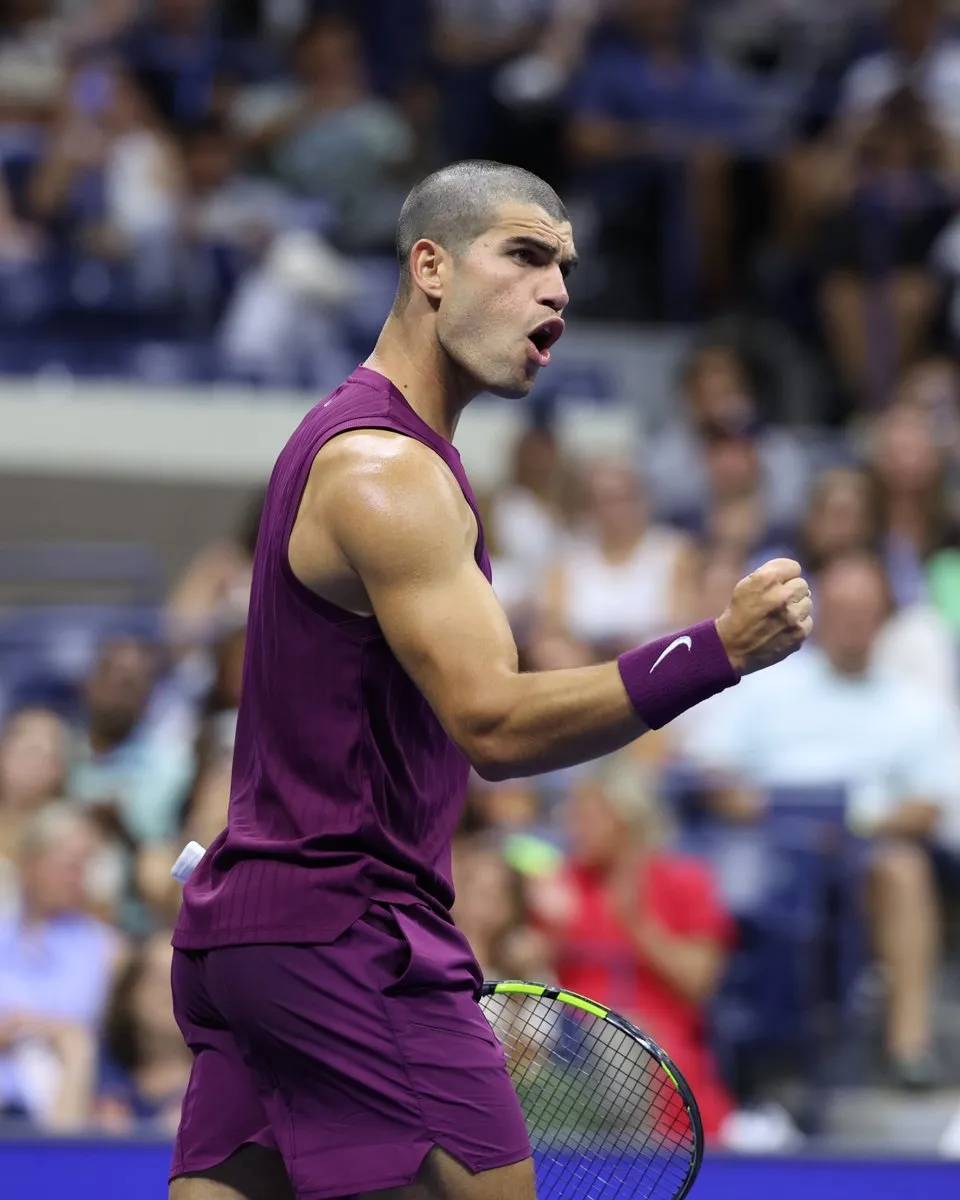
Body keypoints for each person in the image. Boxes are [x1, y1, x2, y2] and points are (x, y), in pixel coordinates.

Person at [169, 159, 813, 1200]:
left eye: (564, 265)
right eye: (522, 254)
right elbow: (497, 725)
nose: (555, 287)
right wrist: (718, 651)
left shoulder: (361, 447)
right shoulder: (390, 474)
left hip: (245, 938)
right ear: (429, 266)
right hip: (351, 930)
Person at [679, 552, 960, 1088]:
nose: (853, 621)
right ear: (822, 610)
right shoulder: (767, 684)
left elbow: (927, 807)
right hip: (766, 834)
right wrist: (759, 807)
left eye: (866, 610)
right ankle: (734, 1053)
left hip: (859, 845)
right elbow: (710, 769)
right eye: (845, 608)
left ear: (885, 619)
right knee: (731, 873)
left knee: (904, 870)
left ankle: (909, 1046)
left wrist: (854, 821)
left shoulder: (913, 706)